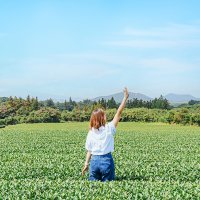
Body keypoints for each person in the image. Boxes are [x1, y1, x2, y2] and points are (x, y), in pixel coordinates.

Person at [82, 87, 129, 181]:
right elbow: (118, 113)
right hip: (106, 161)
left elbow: (89, 150)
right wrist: (125, 98)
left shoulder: (90, 132)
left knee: (93, 187)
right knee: (107, 188)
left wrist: (86, 164)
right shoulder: (109, 128)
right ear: (102, 118)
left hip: (94, 162)